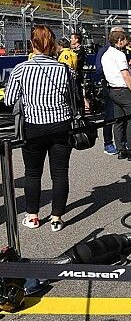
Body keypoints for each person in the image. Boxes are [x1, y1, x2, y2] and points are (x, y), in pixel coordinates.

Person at [5, 26, 78, 232]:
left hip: (34, 126)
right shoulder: (65, 69)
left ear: (32, 43)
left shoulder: (21, 69)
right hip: (61, 125)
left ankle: (33, 216)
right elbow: (73, 98)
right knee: (60, 173)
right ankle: (56, 218)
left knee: (32, 173)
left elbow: (10, 100)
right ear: (53, 44)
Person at [102, 31, 131, 161]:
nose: (127, 43)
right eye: (125, 40)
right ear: (119, 40)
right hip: (122, 89)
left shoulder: (105, 55)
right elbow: (125, 74)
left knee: (119, 120)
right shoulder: (119, 54)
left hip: (112, 89)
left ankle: (121, 149)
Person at [94, 26, 125, 155]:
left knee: (123, 115)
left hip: (123, 87)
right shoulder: (104, 51)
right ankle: (108, 142)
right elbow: (98, 69)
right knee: (109, 115)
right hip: (109, 86)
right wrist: (113, 71)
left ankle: (122, 141)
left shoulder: (124, 50)